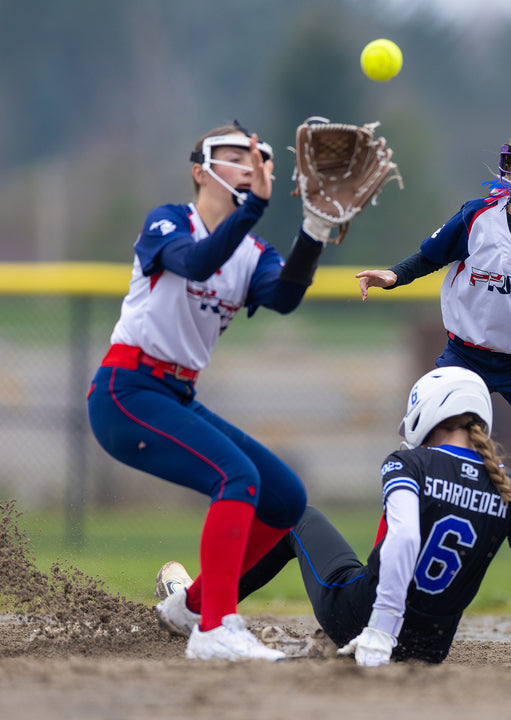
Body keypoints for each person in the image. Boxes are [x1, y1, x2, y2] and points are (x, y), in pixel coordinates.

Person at [154, 366, 511, 671]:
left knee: (293, 513)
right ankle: (200, 603)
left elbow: (404, 539)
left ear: (429, 412)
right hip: (430, 650)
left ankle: (195, 607)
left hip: (362, 621)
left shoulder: (410, 463)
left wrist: (380, 630)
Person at [87, 120, 344, 662]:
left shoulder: (252, 251)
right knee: (237, 476)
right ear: (200, 171)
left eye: (257, 157)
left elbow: (284, 298)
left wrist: (314, 234)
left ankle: (191, 607)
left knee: (285, 497)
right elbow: (196, 262)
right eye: (233, 156)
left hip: (176, 395)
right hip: (126, 392)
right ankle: (216, 627)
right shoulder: (167, 222)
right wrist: (252, 207)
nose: (249, 164)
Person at [353, 110, 511, 640]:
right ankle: (378, 584)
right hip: (463, 359)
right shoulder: (477, 217)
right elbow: (430, 256)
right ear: (507, 169)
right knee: (414, 464)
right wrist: (393, 275)